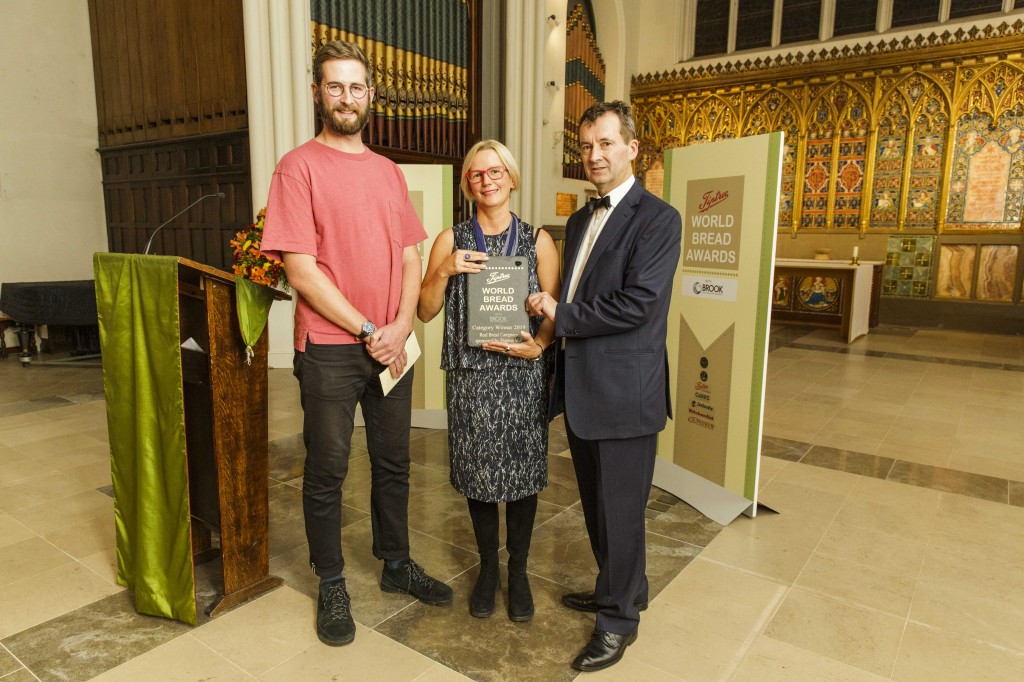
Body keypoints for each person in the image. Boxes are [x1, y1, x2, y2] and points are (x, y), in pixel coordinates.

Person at [260, 40, 452, 648]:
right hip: (331, 347)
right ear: (318, 93)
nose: (347, 97)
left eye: (357, 87)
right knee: (328, 467)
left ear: (372, 95)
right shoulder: (298, 167)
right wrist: (370, 331)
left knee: (395, 462)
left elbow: (408, 254)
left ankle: (395, 563)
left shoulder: (388, 171)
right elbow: (301, 269)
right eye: (335, 86)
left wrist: (400, 326)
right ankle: (333, 579)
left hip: (390, 343)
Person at [526, 101, 681, 673]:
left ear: (632, 149)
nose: (595, 155)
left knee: (621, 511)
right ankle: (621, 586)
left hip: (625, 394)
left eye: (607, 144)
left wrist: (559, 315)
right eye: (587, 146)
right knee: (597, 506)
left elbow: (638, 305)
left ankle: (618, 621)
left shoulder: (659, 218)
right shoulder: (580, 220)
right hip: (585, 390)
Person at [418, 140, 560, 622]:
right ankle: (487, 569)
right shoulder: (449, 239)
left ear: (512, 178)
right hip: (472, 377)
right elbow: (425, 308)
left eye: (496, 171)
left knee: (521, 478)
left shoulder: (538, 240)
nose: (488, 180)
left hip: (521, 372)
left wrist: (538, 345)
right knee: (479, 478)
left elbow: (554, 314)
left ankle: (518, 572)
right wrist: (444, 269)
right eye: (477, 174)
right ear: (467, 184)